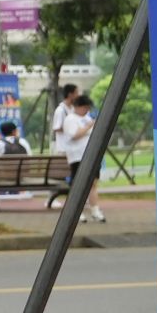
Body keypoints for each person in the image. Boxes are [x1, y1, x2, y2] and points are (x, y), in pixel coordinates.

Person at [63, 92, 105, 222]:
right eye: (85, 107)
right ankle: (76, 212)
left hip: (92, 156)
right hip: (78, 157)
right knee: (78, 185)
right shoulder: (71, 119)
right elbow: (74, 135)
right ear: (77, 106)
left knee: (93, 184)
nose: (87, 110)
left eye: (88, 108)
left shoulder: (87, 118)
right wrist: (89, 126)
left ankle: (95, 210)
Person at [50, 82, 81, 151]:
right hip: (63, 149)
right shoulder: (60, 110)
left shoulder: (73, 109)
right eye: (76, 93)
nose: (78, 95)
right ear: (70, 94)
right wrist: (71, 128)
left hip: (73, 149)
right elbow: (57, 128)